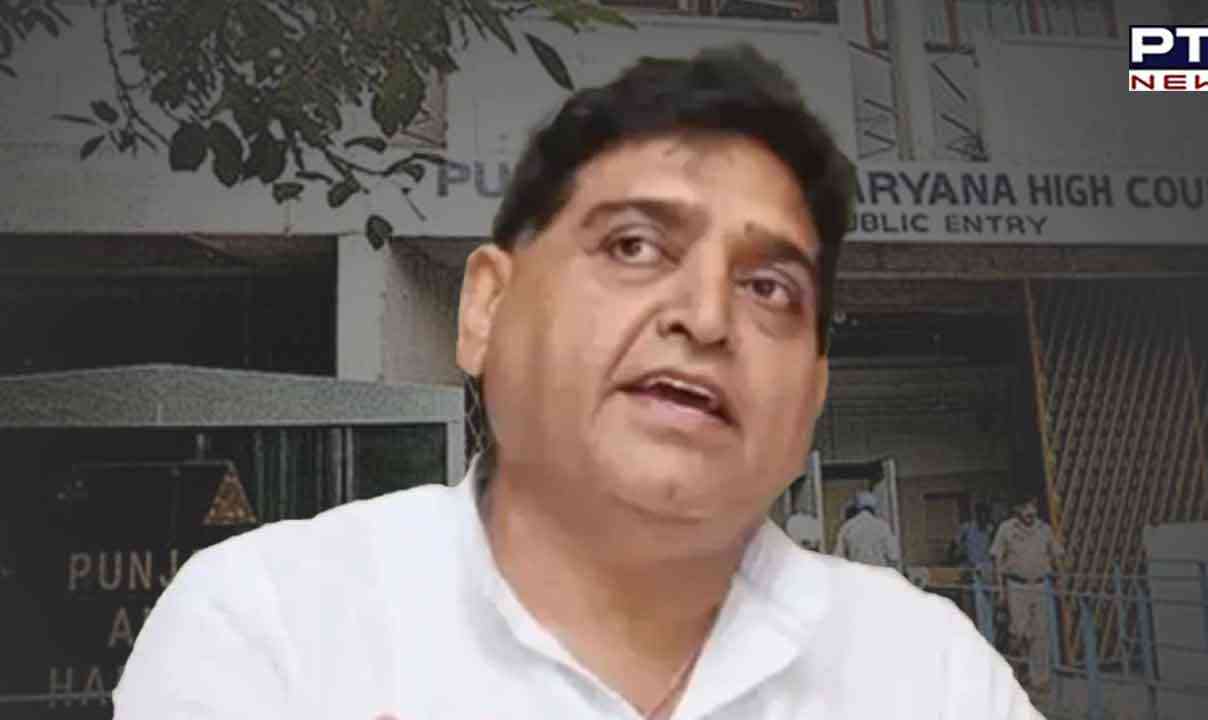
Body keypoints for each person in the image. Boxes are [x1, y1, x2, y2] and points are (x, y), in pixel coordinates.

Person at [113, 46, 1041, 719]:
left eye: (769, 288)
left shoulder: (930, 675)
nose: (706, 318)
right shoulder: (274, 628)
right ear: (486, 311)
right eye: (634, 246)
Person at [990, 493, 1065, 698]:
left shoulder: (1044, 529)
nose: (1030, 512)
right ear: (1017, 510)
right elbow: (997, 559)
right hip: (1017, 585)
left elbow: (1056, 553)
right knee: (1018, 632)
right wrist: (1000, 590)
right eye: (1025, 508)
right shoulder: (1007, 529)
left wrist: (1061, 579)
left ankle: (1039, 679)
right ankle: (1018, 669)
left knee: (1040, 632)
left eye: (1032, 507)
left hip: (1040, 585)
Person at [833, 491, 902, 570]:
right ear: (874, 509)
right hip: (879, 573)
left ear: (857, 508)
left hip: (857, 574)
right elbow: (894, 556)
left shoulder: (847, 527)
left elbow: (838, 558)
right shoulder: (883, 527)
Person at [956, 502, 995, 580]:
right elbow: (957, 545)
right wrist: (963, 551)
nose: (983, 517)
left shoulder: (991, 529)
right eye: (980, 514)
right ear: (976, 514)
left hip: (985, 567)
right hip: (969, 566)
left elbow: (994, 548)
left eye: (985, 514)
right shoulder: (966, 527)